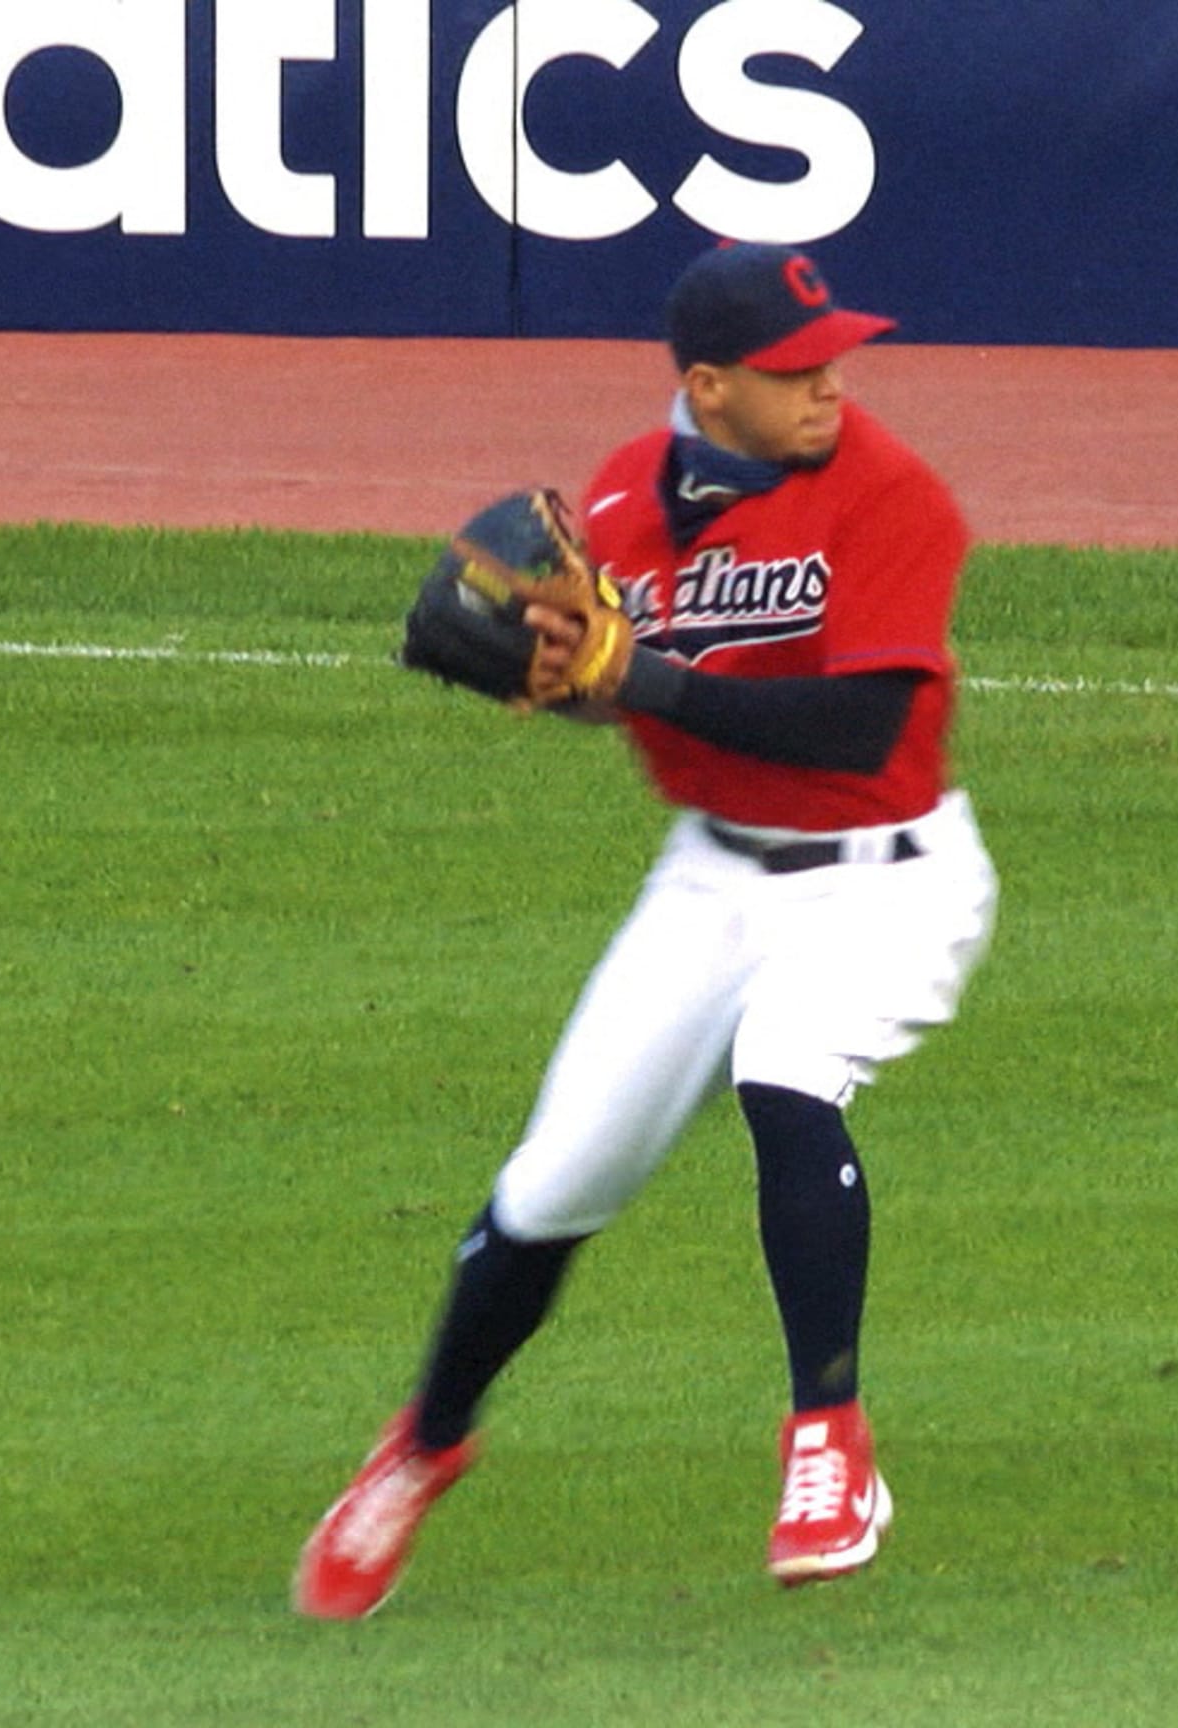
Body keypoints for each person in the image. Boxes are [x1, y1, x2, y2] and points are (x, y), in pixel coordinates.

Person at [293, 240, 997, 1620]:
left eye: (835, 356)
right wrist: (556, 682)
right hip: (712, 880)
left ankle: (831, 1446)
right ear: (709, 386)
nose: (831, 386)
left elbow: (861, 724)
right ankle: (423, 1444)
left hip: (892, 874)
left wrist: (645, 678)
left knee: (787, 1071)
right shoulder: (620, 502)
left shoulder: (895, 495)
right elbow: (618, 689)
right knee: (553, 1187)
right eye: (797, 370)